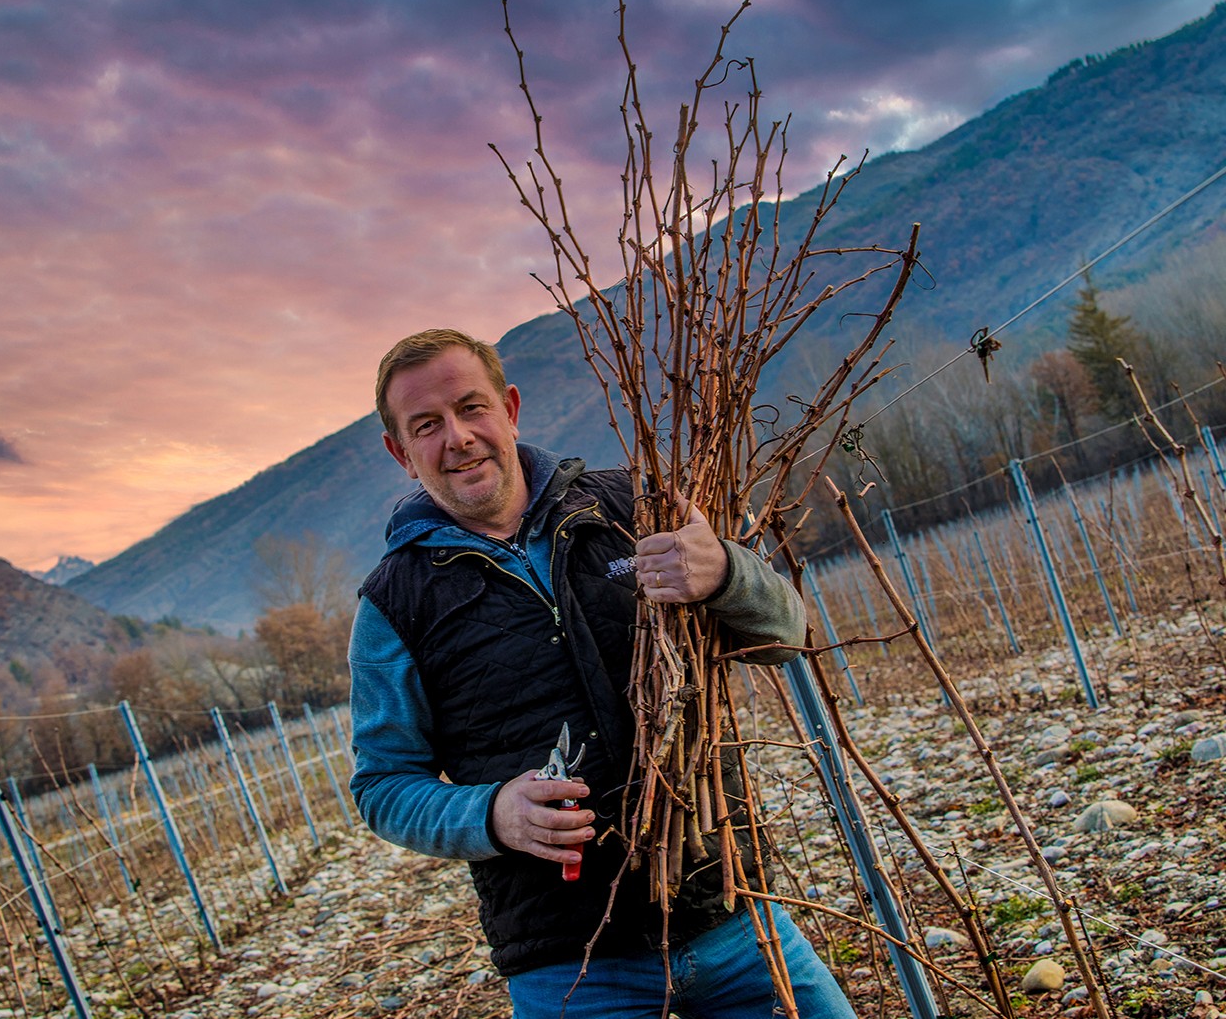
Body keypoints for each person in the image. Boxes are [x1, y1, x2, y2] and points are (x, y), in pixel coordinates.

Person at [347, 328, 856, 1018]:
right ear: (400, 452)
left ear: (511, 408)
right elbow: (382, 784)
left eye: (472, 408)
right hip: (570, 967)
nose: (458, 437)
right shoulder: (393, 603)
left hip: (731, 913)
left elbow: (787, 635)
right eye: (427, 426)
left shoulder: (631, 507)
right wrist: (491, 813)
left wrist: (727, 575)